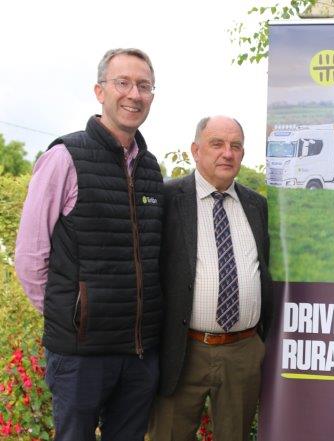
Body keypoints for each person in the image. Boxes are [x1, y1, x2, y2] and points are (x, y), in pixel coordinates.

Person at [14, 48, 163, 439]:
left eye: (144, 86)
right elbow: (29, 258)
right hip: (80, 358)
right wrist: (71, 317)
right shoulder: (64, 157)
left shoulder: (150, 169)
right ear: (100, 91)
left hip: (138, 355)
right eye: (123, 83)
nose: (134, 94)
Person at [149, 116, 272, 440]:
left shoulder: (257, 205)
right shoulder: (167, 199)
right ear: (195, 150)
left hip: (242, 352)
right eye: (217, 144)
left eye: (235, 146)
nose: (227, 153)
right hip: (182, 350)